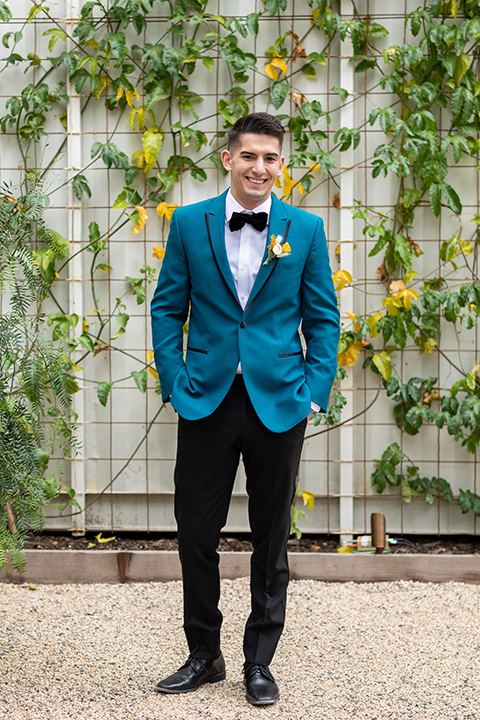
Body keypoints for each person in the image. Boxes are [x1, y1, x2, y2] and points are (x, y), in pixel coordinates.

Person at [150, 112, 340, 705]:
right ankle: (204, 654)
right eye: (250, 156)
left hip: (279, 404)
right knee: (195, 534)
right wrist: (176, 381)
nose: (261, 168)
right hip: (205, 399)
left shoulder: (304, 231)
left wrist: (312, 388)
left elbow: (323, 317)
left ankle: (260, 661)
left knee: (270, 537)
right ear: (228, 159)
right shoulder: (188, 224)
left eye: (272, 158)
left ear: (281, 165)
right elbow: (166, 309)